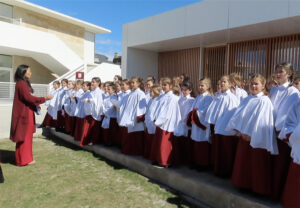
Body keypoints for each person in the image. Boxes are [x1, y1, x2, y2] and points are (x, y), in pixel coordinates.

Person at [226, 74, 278, 196]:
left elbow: (263, 121)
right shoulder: (247, 99)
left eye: (256, 84)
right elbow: (239, 116)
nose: (253, 86)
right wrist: (240, 130)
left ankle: (257, 189)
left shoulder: (264, 101)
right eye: (252, 83)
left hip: (257, 139)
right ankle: (243, 184)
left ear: (263, 85)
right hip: (244, 137)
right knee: (243, 163)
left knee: (256, 165)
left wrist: (253, 136)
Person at [10, 65, 52, 166]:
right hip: (24, 114)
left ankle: (25, 158)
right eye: (29, 71)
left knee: (27, 137)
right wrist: (44, 98)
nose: (31, 73)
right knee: (24, 137)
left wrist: (36, 105)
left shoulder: (22, 83)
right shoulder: (21, 83)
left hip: (27, 112)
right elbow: (28, 98)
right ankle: (23, 160)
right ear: (24, 72)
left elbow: (27, 99)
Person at [205, 75, 239, 177]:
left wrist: (225, 125)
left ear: (230, 84)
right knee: (218, 151)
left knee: (226, 152)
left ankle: (226, 172)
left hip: (226, 129)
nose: (222, 84)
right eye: (221, 82)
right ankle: (218, 170)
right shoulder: (219, 96)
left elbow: (232, 114)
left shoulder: (232, 98)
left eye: (225, 82)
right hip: (218, 127)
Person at [150, 77, 181, 167]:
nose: (163, 87)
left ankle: (165, 161)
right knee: (158, 142)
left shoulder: (172, 98)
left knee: (164, 144)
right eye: (162, 85)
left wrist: (159, 120)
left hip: (167, 123)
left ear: (171, 86)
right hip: (159, 122)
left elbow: (167, 112)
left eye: (165, 85)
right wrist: (154, 118)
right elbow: (156, 108)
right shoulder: (162, 96)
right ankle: (158, 158)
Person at [119, 77, 147, 155]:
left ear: (138, 83)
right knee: (128, 135)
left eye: (133, 83)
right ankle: (128, 150)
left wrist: (140, 116)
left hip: (135, 117)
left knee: (136, 135)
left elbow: (142, 106)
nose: (131, 84)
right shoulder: (131, 93)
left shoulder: (140, 93)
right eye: (131, 83)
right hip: (128, 116)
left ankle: (136, 151)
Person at [189, 78, 213, 168]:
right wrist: (192, 112)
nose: (200, 87)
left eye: (202, 85)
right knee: (196, 143)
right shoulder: (198, 97)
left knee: (202, 144)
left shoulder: (209, 98)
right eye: (199, 85)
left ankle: (203, 164)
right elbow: (193, 108)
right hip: (196, 124)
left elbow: (206, 110)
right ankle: (196, 162)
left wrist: (195, 113)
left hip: (202, 124)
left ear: (208, 86)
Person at [173, 81, 195, 165]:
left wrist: (185, 120)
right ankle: (181, 159)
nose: (184, 91)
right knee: (180, 142)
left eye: (186, 90)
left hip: (186, 123)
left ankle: (188, 160)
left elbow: (189, 112)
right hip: (180, 122)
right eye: (182, 90)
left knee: (187, 143)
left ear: (190, 91)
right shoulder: (180, 99)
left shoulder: (192, 100)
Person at [144, 84, 161, 160]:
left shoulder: (159, 100)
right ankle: (148, 154)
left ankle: (153, 156)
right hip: (148, 121)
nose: (150, 93)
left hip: (154, 123)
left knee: (154, 140)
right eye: (150, 91)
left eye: (152, 91)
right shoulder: (151, 100)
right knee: (148, 139)